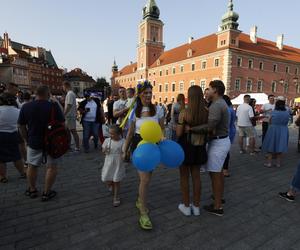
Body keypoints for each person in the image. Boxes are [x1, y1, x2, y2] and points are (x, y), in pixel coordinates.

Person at [123, 80, 164, 230]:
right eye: (145, 93)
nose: (148, 95)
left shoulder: (158, 110)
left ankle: (140, 200)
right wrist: (124, 149)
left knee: (148, 178)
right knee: (145, 179)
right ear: (140, 94)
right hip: (139, 145)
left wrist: (163, 139)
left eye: (150, 92)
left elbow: (162, 129)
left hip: (153, 145)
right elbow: (130, 132)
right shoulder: (134, 111)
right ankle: (143, 213)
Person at [18, 86, 65, 201]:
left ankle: (32, 189)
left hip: (33, 140)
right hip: (52, 142)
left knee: (32, 165)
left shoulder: (26, 106)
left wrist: (26, 138)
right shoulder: (53, 106)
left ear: (35, 93)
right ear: (48, 94)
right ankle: (46, 192)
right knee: (51, 167)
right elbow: (63, 124)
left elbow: (21, 126)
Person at [176, 86, 208, 216]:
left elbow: (178, 133)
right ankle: (196, 206)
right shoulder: (207, 112)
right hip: (200, 146)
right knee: (196, 177)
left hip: (186, 146)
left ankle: (186, 206)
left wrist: (182, 128)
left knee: (184, 177)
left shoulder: (184, 112)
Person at [203, 80, 230, 217]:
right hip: (222, 141)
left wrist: (192, 128)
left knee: (215, 174)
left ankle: (217, 206)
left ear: (215, 90)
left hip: (218, 143)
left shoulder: (216, 105)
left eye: (209, 88)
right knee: (217, 173)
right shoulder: (219, 103)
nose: (207, 91)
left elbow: (209, 127)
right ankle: (218, 198)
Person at [0, 93, 26, 183]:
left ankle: (3, 176)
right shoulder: (17, 111)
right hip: (13, 134)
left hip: (1, 134)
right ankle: (22, 173)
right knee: (16, 155)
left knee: (1, 158)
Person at [101, 125, 126, 207]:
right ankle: (110, 185)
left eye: (112, 134)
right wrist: (105, 150)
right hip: (108, 163)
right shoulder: (107, 141)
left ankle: (116, 197)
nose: (110, 135)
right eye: (110, 133)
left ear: (119, 134)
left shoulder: (123, 141)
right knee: (108, 179)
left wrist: (124, 155)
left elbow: (124, 152)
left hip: (118, 163)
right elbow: (103, 151)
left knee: (116, 181)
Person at [262, 97, 289, 168]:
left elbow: (269, 121)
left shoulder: (273, 112)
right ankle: (278, 163)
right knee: (280, 145)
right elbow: (287, 121)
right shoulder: (287, 112)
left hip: (273, 129)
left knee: (271, 145)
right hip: (283, 130)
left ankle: (269, 163)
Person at [63, 82, 80, 152]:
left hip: (70, 116)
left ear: (65, 86)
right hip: (70, 116)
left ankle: (77, 147)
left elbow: (69, 105)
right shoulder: (71, 93)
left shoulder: (70, 94)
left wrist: (63, 114)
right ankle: (69, 146)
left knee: (73, 131)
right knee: (68, 132)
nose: (62, 88)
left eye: (63, 87)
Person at [222, 95, 236, 177]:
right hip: (230, 131)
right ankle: (224, 169)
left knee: (225, 151)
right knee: (226, 150)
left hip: (227, 132)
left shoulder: (227, 109)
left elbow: (226, 123)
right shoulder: (231, 109)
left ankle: (225, 169)